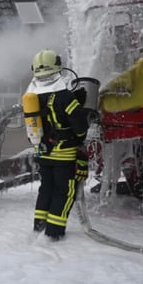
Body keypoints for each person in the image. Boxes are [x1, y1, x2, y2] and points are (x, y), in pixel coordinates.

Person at [27, 49, 89, 240]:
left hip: (42, 152)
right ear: (58, 69)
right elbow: (79, 127)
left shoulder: (32, 97)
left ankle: (39, 227)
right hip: (64, 155)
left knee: (46, 188)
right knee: (64, 191)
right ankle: (53, 234)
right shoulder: (64, 96)